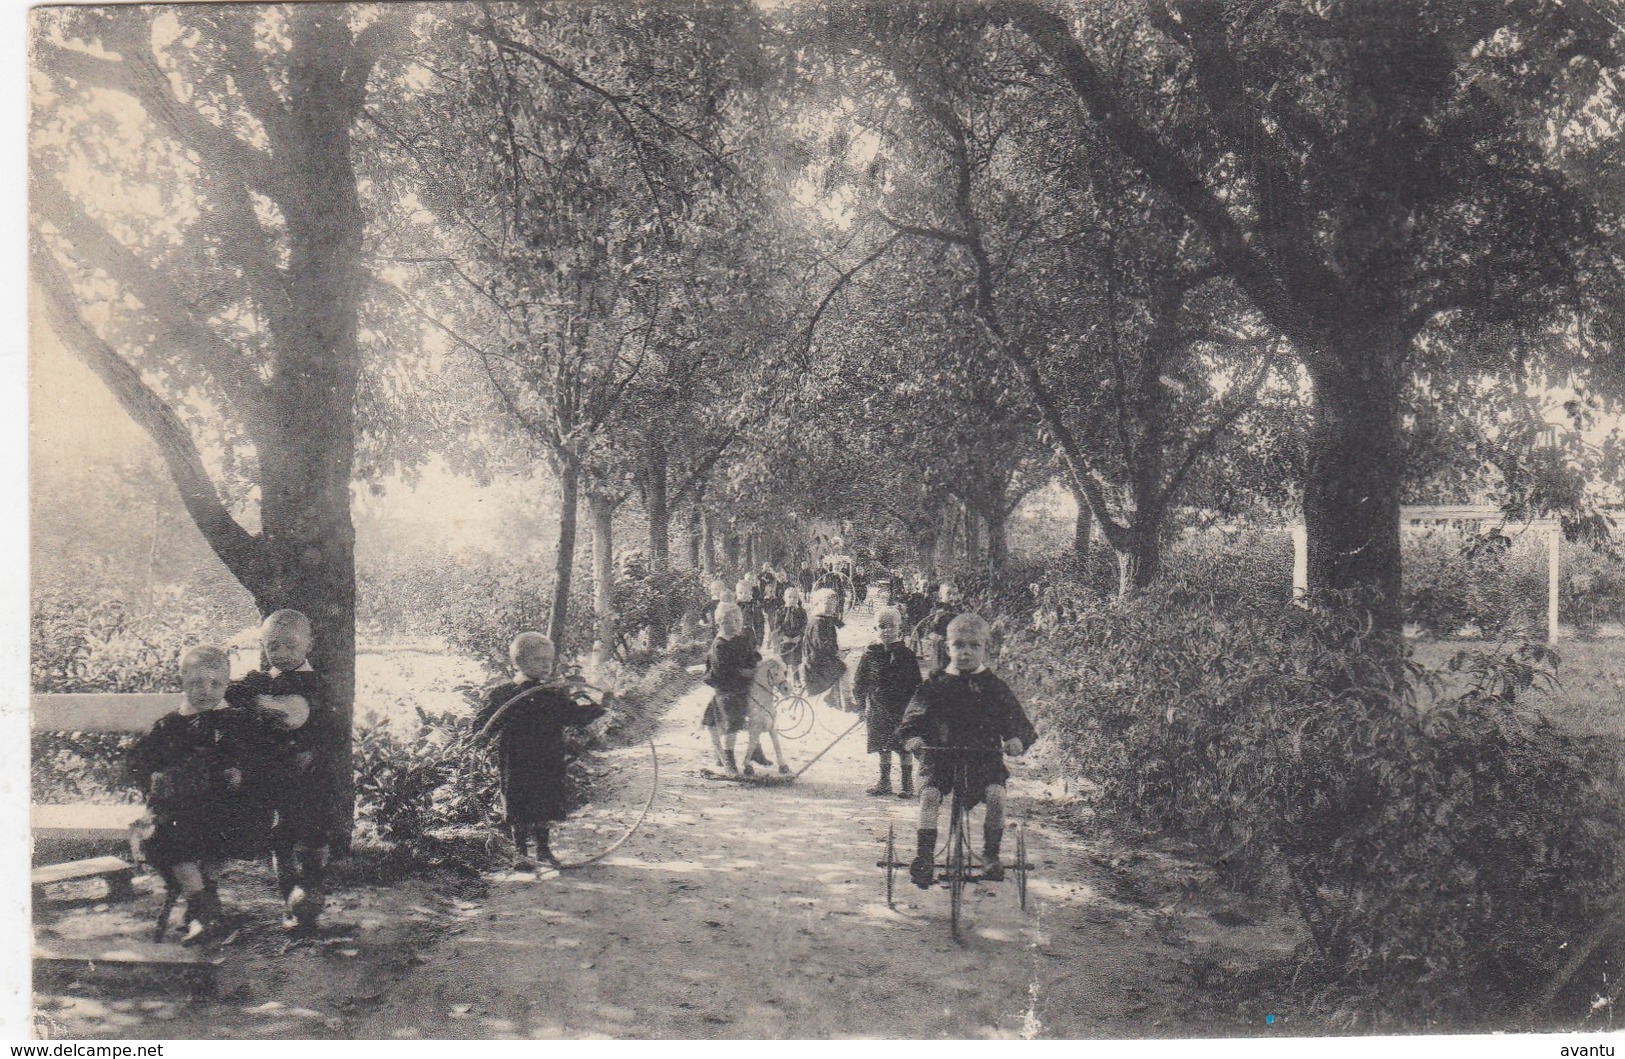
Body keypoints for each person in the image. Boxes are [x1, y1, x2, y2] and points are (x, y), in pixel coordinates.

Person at [898, 613, 1037, 889]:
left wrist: (1016, 740)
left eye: (974, 645)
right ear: (947, 647)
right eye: (958, 645)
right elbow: (912, 719)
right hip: (940, 759)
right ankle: (924, 858)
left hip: (982, 759)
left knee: (997, 795)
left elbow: (1016, 722)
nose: (965, 652)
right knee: (929, 796)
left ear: (985, 648)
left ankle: (990, 856)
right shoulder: (935, 684)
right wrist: (912, 737)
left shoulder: (993, 686)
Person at [224, 609, 333, 931]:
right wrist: (249, 692)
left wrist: (310, 747)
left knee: (311, 834)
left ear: (308, 645)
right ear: (263, 647)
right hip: (273, 773)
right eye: (274, 647)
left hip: (309, 775)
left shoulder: (318, 685)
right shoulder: (261, 680)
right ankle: (290, 902)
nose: (282, 654)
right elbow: (231, 694)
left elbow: (321, 724)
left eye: (291, 646)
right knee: (280, 836)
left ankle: (311, 895)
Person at [128, 645, 238, 943]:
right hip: (180, 811)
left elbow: (257, 757)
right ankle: (204, 910)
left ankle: (203, 909)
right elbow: (140, 762)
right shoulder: (169, 726)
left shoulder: (236, 722)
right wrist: (156, 779)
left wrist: (240, 772)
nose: (206, 690)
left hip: (226, 809)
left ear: (227, 683)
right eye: (196, 683)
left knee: (212, 833)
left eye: (216, 683)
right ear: (183, 683)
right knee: (165, 834)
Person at [474, 632, 609, 869]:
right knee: (518, 802)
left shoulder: (552, 693)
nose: (546, 665)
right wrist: (481, 734)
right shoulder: (504, 694)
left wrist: (600, 708)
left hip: (547, 757)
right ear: (520, 662)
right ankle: (520, 852)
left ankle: (543, 850)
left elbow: (574, 716)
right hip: (516, 759)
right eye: (539, 660)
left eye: (549, 660)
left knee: (544, 800)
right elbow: (486, 722)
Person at [852, 607, 922, 798]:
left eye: (892, 627)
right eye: (882, 626)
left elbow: (917, 684)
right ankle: (884, 782)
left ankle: (907, 784)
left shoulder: (906, 655)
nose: (887, 631)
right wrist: (860, 706)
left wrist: (916, 711)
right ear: (875, 629)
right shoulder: (870, 654)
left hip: (902, 709)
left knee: (904, 746)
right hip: (878, 708)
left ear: (899, 629)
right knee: (882, 745)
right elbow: (860, 682)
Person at [699, 605, 762, 778]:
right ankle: (728, 759)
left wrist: (755, 661)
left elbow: (751, 654)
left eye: (739, 620)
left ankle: (754, 752)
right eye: (733, 621)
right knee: (731, 724)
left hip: (741, 687)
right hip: (727, 689)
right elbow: (722, 670)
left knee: (756, 713)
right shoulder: (720, 645)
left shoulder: (739, 638)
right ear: (720, 623)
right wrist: (742, 672)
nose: (738, 624)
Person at [802, 588, 849, 711]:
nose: (830, 608)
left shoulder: (824, 618)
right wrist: (836, 652)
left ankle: (832, 696)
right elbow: (821, 644)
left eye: (833, 605)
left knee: (839, 667)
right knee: (843, 670)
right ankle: (846, 700)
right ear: (816, 604)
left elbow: (838, 624)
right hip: (816, 659)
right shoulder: (817, 622)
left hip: (821, 656)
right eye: (827, 604)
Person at [776, 586, 809, 677]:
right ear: (784, 598)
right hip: (784, 640)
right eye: (789, 597)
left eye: (795, 597)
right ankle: (783, 677)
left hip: (796, 640)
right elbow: (777, 626)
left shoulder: (801, 611)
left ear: (798, 599)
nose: (792, 600)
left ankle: (796, 678)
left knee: (796, 660)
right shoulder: (780, 611)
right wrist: (783, 636)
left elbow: (804, 625)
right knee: (784, 660)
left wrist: (799, 636)